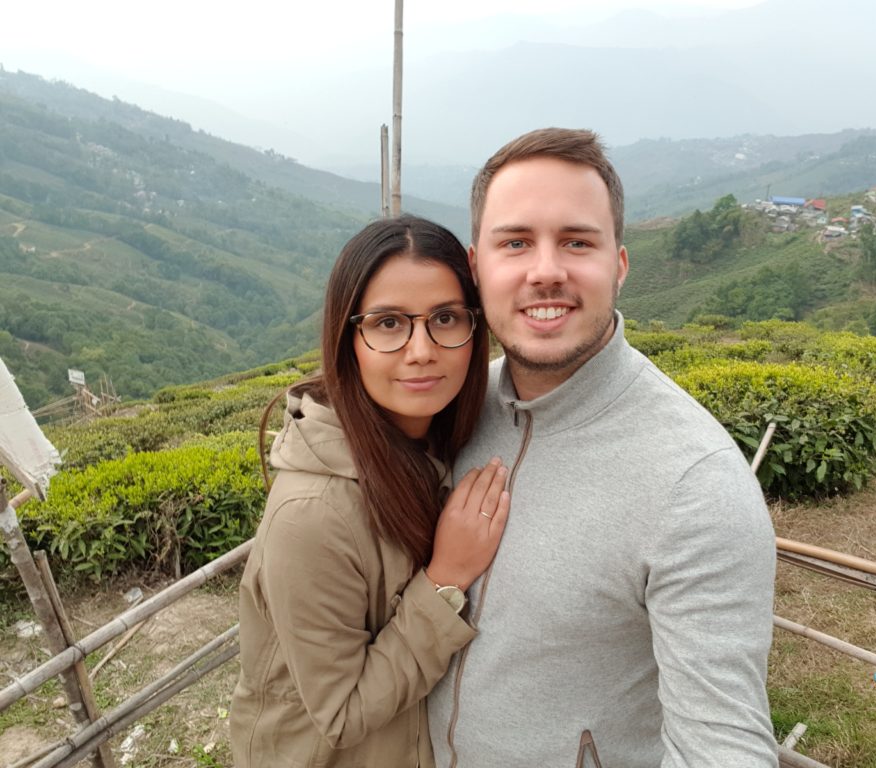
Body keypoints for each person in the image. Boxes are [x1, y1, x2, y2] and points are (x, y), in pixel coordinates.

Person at [428, 129, 779, 767]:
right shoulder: (450, 408)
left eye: (577, 242)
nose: (545, 271)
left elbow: (723, 744)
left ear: (618, 264)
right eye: (515, 242)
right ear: (477, 268)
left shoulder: (694, 482)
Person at [230, 215, 510, 768]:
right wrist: (446, 578)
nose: (422, 349)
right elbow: (341, 712)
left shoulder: (430, 441)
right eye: (388, 324)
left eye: (446, 318)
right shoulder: (311, 517)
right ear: (347, 338)